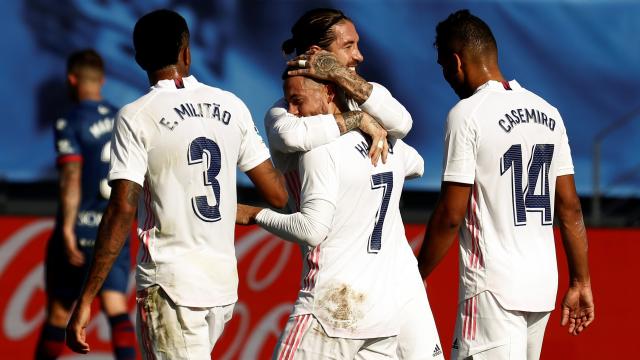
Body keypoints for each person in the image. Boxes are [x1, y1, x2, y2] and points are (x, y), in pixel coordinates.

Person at [65, 9, 288, 358]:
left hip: (171, 287)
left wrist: (87, 297)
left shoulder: (138, 114)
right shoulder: (231, 105)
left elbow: (123, 206)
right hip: (222, 288)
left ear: (138, 58)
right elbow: (277, 193)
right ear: (187, 53)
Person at [264, 8, 442, 358]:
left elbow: (403, 125)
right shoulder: (288, 114)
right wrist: (357, 119)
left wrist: (342, 82)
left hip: (390, 281)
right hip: (346, 290)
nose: (359, 55)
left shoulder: (368, 99)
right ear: (317, 53)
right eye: (349, 46)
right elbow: (291, 134)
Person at [417, 9, 595, 360]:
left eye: (443, 68)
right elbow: (570, 207)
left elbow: (451, 215)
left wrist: (415, 273)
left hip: (492, 289)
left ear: (456, 62)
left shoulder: (466, 114)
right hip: (543, 285)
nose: (445, 77)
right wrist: (581, 281)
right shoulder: (548, 112)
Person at [35, 49, 136, 360]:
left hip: (80, 228)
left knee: (60, 310)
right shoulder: (124, 119)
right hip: (114, 228)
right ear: (102, 81)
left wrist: (67, 229)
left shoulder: (70, 120)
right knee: (115, 304)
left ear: (72, 79)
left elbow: (71, 176)